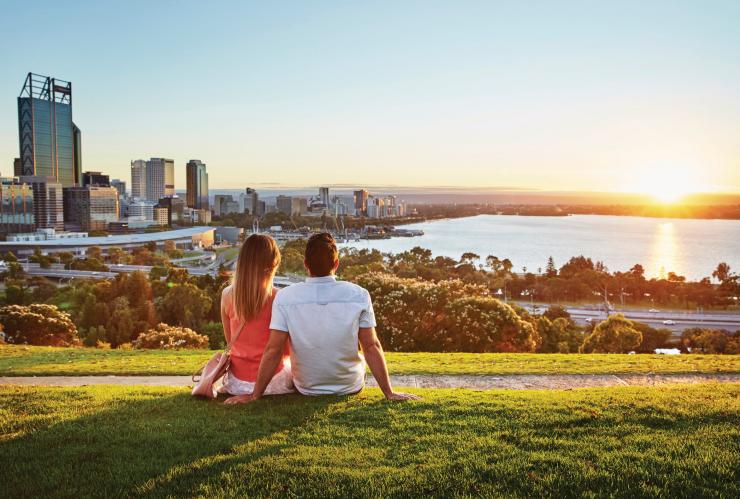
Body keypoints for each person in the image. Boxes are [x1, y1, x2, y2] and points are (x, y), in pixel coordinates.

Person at [224, 232, 419, 404]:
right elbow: (371, 346)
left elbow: (273, 349)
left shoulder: (285, 297)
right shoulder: (359, 295)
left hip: (306, 387)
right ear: (336, 264)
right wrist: (389, 392)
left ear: (306, 264)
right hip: (349, 386)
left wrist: (255, 396)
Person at [220, 234, 294, 402]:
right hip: (271, 383)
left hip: (236, 383)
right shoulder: (279, 298)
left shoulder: (227, 295)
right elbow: (286, 351)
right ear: (273, 264)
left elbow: (230, 341)